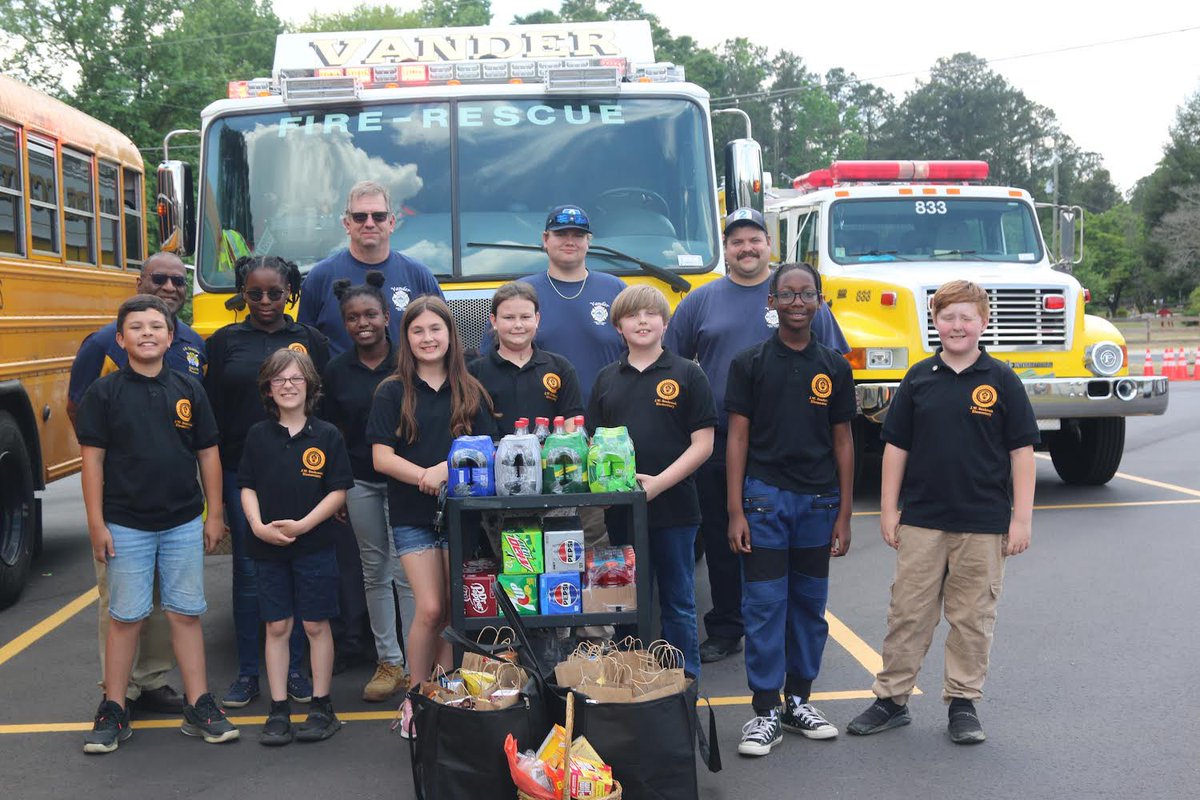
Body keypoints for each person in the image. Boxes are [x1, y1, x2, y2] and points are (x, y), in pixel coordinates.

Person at [846, 280, 1037, 745]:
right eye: (947, 317)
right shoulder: (918, 378)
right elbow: (895, 448)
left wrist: (1021, 520)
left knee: (972, 617)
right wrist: (889, 510)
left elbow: (1022, 453)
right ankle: (891, 699)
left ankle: (963, 703)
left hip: (984, 522)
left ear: (984, 322)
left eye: (966, 317)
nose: (956, 325)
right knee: (908, 613)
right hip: (922, 521)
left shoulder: (1002, 380)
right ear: (935, 321)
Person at [666, 208, 849, 665]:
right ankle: (727, 626)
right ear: (724, 249)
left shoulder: (800, 294)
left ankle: (784, 627)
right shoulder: (699, 301)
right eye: (736, 241)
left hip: (794, 444)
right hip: (721, 439)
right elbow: (674, 362)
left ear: (769, 243)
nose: (746, 248)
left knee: (783, 546)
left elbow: (834, 361)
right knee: (726, 536)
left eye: (755, 239)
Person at [77, 295, 238, 753]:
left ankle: (200, 702)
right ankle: (113, 707)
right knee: (125, 617)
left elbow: (208, 453)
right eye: (137, 327)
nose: (147, 333)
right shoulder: (103, 394)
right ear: (120, 339)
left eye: (156, 326)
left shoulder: (189, 388)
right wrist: (96, 524)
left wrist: (215, 514)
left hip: (183, 521)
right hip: (125, 523)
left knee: (185, 614)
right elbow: (93, 463)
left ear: (171, 338)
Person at [726, 262, 855, 758]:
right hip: (764, 499)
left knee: (807, 606)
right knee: (763, 607)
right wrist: (736, 509)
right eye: (787, 294)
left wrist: (843, 513)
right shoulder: (750, 363)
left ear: (820, 301)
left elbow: (843, 440)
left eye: (807, 294)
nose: (797, 303)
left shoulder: (835, 365)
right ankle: (764, 712)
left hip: (818, 502)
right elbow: (737, 437)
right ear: (771, 303)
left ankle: (799, 701)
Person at [67, 251, 203, 717]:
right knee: (121, 604)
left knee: (171, 605)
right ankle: (117, 691)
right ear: (138, 280)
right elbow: (80, 412)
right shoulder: (104, 343)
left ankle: (151, 680)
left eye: (178, 281)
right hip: (123, 509)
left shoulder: (193, 344)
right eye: (159, 278)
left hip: (176, 506)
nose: (169, 287)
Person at [367, 296, 498, 738]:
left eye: (435, 330)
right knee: (429, 608)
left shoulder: (471, 389)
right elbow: (381, 457)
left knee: (453, 613)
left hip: (462, 518)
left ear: (450, 336)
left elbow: (490, 449)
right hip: (412, 515)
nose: (428, 338)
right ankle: (415, 698)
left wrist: (450, 464)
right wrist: (425, 473)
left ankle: (444, 695)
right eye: (418, 331)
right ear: (406, 338)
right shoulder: (391, 391)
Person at [205, 255, 330, 708]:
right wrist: (217, 495)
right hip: (245, 475)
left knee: (297, 570)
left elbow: (324, 406)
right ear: (242, 292)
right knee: (250, 573)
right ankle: (248, 672)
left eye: (274, 293)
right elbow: (212, 418)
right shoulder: (223, 343)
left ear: (290, 293)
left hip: (303, 474)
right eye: (254, 293)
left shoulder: (310, 340)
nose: (264, 301)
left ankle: (295, 669)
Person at [586, 285, 715, 677]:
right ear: (618, 327)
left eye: (651, 314)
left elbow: (703, 444)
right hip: (622, 513)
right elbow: (593, 441)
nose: (642, 321)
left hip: (676, 510)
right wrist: (602, 490)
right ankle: (629, 681)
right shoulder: (607, 379)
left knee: (678, 602)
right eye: (632, 315)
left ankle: (683, 681)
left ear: (665, 322)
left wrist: (658, 484)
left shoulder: (687, 374)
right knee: (624, 600)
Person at [239, 349, 354, 745]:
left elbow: (338, 492)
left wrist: (304, 525)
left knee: (315, 624)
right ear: (268, 390)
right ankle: (278, 709)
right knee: (276, 626)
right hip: (267, 546)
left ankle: (322, 706)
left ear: (310, 386)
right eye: (279, 380)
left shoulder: (327, 435)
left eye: (296, 379)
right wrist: (256, 526)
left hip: (316, 545)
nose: (288, 386)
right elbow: (247, 486)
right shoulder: (257, 435)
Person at [321, 271, 415, 703]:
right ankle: (389, 662)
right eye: (353, 317)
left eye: (370, 315)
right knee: (374, 571)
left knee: (407, 573)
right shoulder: (337, 371)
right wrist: (337, 487)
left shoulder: (408, 361)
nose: (363, 323)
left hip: (405, 480)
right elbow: (332, 432)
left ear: (386, 316)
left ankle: (418, 661)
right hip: (359, 481)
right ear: (344, 322)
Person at [481, 205, 625, 401]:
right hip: (538, 422)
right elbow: (489, 364)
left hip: (607, 423)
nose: (570, 241)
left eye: (578, 235)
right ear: (545, 239)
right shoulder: (519, 294)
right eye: (561, 234)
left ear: (588, 242)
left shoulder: (616, 290)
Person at [299, 180, 443, 357]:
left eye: (378, 216)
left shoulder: (419, 275)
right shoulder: (319, 277)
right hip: (339, 384)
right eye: (360, 217)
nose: (369, 223)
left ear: (391, 223)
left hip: (405, 383)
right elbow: (303, 346)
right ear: (347, 224)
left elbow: (443, 338)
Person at [469, 281, 584, 435]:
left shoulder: (561, 368)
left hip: (548, 459)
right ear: (494, 321)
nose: (518, 325)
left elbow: (573, 422)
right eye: (509, 317)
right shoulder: (474, 373)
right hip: (494, 458)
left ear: (536, 319)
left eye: (525, 317)